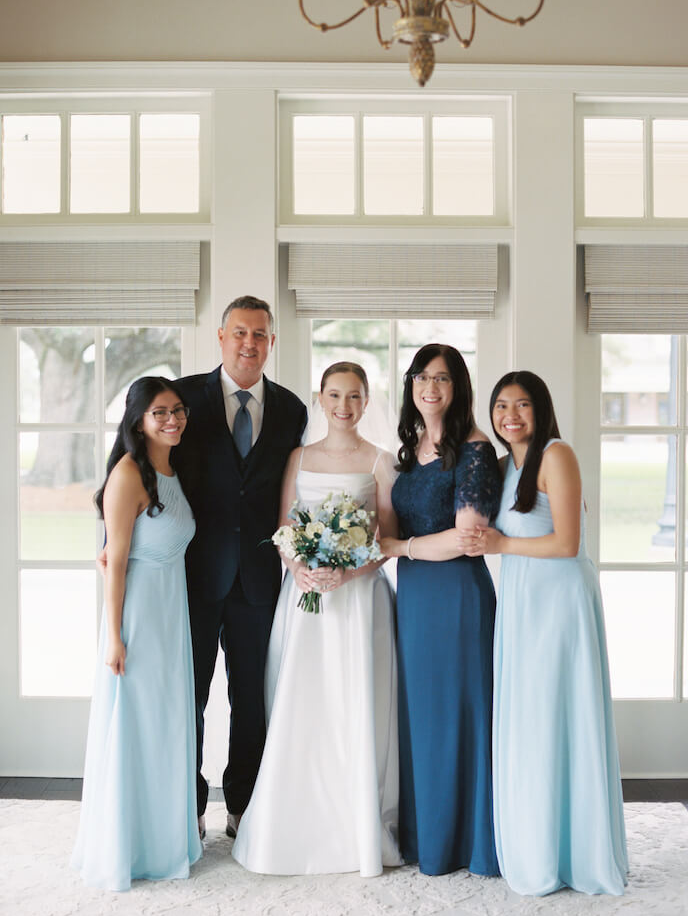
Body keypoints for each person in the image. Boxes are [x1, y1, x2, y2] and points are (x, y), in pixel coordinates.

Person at [462, 371, 628, 896]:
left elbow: (567, 544)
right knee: (534, 720)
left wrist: (498, 545)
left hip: (558, 603)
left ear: (541, 409)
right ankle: (538, 846)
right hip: (523, 600)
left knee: (561, 716)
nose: (510, 415)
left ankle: (577, 853)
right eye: (501, 405)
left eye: (523, 405)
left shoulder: (556, 454)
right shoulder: (508, 464)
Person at [232, 362, 401, 876]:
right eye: (334, 395)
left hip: (358, 604)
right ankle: (291, 815)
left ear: (367, 401)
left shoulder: (380, 462)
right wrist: (301, 569)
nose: (344, 406)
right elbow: (284, 525)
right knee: (300, 702)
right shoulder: (298, 457)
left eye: (354, 396)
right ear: (320, 398)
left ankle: (355, 824)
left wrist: (346, 575)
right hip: (304, 603)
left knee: (353, 705)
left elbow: (386, 540)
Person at [173, 296, 307, 840]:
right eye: (240, 333)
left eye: (260, 335)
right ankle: (188, 808)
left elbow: (290, 490)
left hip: (257, 579)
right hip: (195, 576)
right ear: (221, 337)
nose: (250, 344)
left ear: (272, 343)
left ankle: (244, 808)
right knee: (192, 696)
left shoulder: (293, 409)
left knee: (251, 697)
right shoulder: (184, 398)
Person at [72, 377, 201, 891]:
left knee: (167, 725)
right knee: (139, 726)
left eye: (177, 410)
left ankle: (165, 838)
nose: (172, 420)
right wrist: (115, 636)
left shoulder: (170, 467)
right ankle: (132, 846)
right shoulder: (128, 475)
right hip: (140, 616)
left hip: (172, 612)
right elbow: (116, 561)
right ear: (138, 420)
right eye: (159, 413)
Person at [380, 344, 501, 877]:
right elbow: (388, 528)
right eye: (422, 377)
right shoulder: (409, 450)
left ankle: (465, 843)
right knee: (422, 718)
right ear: (411, 385)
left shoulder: (473, 449)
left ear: (459, 389)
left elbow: (468, 536)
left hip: (455, 597)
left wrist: (400, 548)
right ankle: (426, 836)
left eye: (443, 379)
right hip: (415, 600)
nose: (431, 388)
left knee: (456, 716)